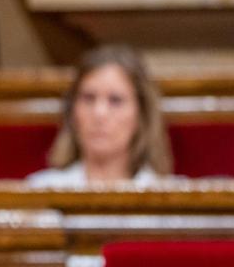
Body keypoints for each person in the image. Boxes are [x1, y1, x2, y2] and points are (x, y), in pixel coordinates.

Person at [26, 45, 173, 187]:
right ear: (72, 110)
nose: (99, 113)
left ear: (142, 114)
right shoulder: (38, 192)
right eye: (88, 98)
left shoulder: (173, 196)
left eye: (115, 100)